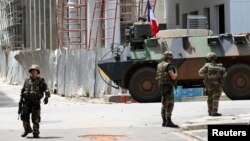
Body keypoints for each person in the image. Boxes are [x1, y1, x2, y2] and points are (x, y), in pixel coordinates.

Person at [18, 64, 50, 138]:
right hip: (26, 102)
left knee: (35, 118)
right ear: (30, 72)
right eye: (32, 71)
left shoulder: (41, 81)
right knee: (24, 116)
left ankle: (36, 132)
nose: (33, 73)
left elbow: (46, 89)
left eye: (35, 71)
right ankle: (27, 129)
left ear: (37, 72)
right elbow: (23, 91)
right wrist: (21, 101)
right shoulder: (27, 81)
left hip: (35, 102)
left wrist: (47, 97)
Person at [199, 52, 226, 116]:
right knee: (216, 98)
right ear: (215, 58)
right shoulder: (219, 66)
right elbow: (225, 74)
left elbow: (200, 73)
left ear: (208, 58)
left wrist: (206, 75)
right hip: (217, 84)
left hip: (209, 85)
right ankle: (214, 112)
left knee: (210, 98)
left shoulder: (206, 66)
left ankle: (210, 111)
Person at [156, 51, 179, 128]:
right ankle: (168, 121)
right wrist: (176, 73)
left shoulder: (159, 65)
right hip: (168, 87)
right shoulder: (168, 65)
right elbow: (173, 77)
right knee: (169, 104)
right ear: (170, 57)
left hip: (162, 86)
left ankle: (164, 121)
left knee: (164, 104)